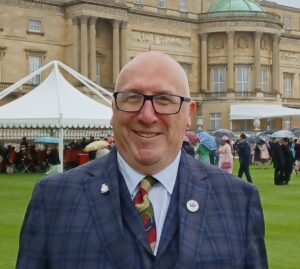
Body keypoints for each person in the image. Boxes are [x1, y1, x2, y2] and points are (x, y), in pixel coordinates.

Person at [16, 52, 267, 269]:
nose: (147, 116)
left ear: (189, 113)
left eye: (165, 100)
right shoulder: (53, 199)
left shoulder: (238, 200)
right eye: (132, 97)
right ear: (113, 109)